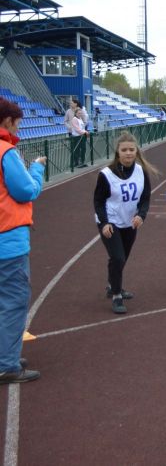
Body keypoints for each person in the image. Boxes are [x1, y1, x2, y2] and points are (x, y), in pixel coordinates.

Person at [0, 97, 45, 384]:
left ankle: (5, 353)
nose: (18, 127)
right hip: (7, 240)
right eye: (17, 123)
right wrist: (37, 169)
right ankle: (6, 364)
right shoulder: (6, 152)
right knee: (13, 301)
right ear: (7, 121)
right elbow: (26, 191)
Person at [93, 132, 157, 313]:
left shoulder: (141, 171)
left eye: (131, 149)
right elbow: (98, 201)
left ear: (136, 151)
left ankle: (112, 285)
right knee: (118, 257)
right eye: (124, 150)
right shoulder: (106, 174)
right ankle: (116, 295)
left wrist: (141, 215)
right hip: (111, 221)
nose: (128, 153)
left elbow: (145, 198)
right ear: (118, 152)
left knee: (122, 258)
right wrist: (104, 223)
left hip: (130, 221)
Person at [68, 98, 89, 168]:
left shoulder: (80, 119)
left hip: (81, 136)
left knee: (83, 149)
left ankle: (82, 161)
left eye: (80, 113)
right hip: (77, 137)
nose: (80, 114)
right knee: (77, 150)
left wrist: (84, 132)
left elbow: (82, 128)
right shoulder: (74, 119)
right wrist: (85, 132)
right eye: (79, 113)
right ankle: (76, 163)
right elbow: (77, 129)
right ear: (76, 113)